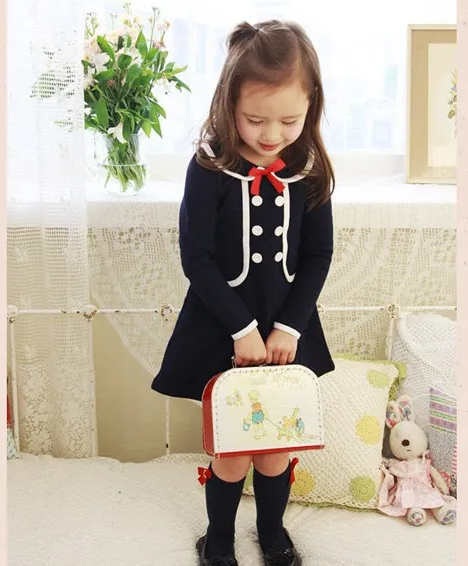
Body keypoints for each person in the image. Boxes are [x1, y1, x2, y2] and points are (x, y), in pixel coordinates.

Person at [151, 19, 335, 566]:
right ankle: (220, 538)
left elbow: (318, 256)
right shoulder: (208, 167)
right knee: (232, 451)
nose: (272, 133)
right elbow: (196, 258)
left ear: (311, 106)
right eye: (256, 119)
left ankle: (272, 533)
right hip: (221, 330)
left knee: (275, 449)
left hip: (286, 333)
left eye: (290, 120)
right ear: (229, 103)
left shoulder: (309, 169)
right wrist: (241, 329)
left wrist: (288, 328)